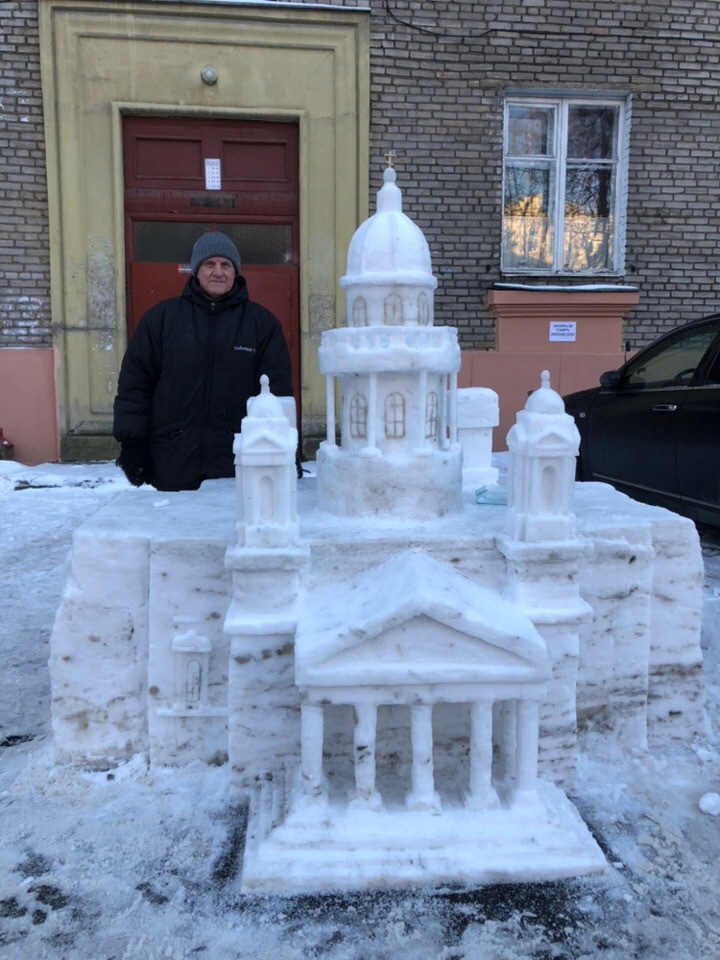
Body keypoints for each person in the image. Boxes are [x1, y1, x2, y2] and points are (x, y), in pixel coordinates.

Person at [113, 231, 294, 492]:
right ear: (196, 271)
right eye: (210, 264)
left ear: (235, 272)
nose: (218, 272)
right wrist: (133, 445)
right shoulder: (161, 320)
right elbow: (135, 386)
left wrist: (286, 449)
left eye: (226, 265)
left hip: (237, 461)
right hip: (172, 459)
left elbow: (277, 395)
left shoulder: (261, 325)